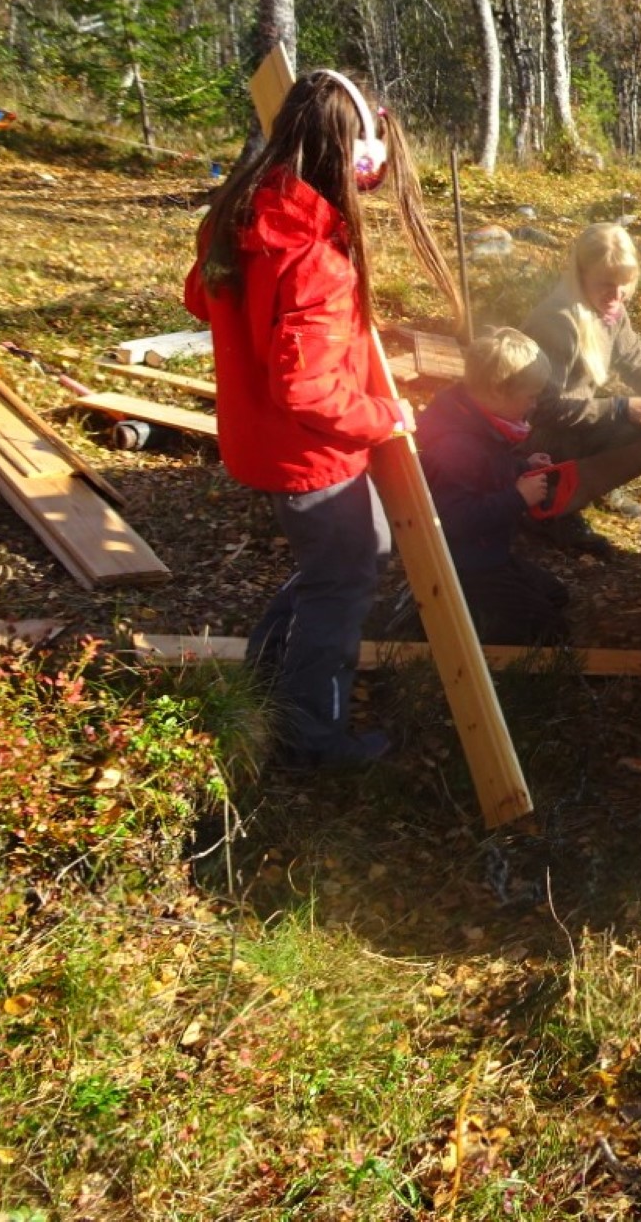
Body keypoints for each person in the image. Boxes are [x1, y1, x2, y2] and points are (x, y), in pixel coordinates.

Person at [185, 69, 462, 768]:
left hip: (262, 440)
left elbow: (202, 298)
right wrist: (383, 412)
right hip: (308, 454)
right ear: (352, 154)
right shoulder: (314, 259)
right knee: (342, 577)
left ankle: (271, 678)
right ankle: (310, 734)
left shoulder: (240, 212)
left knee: (352, 554)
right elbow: (304, 392)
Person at [521, 222, 641, 558]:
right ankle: (553, 509)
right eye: (606, 284)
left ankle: (596, 486)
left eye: (625, 284)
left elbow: (633, 357)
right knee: (635, 418)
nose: (617, 296)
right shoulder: (558, 321)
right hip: (536, 438)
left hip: (572, 419)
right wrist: (619, 408)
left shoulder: (609, 308)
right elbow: (545, 408)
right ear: (580, 275)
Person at [415, 328, 572, 647]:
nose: (534, 404)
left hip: (488, 551)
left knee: (556, 595)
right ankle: (456, 624)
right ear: (499, 391)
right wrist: (517, 497)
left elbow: (486, 471)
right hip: (466, 564)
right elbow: (456, 520)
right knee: (547, 629)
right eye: (530, 396)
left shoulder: (475, 421)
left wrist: (522, 467)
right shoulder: (457, 446)